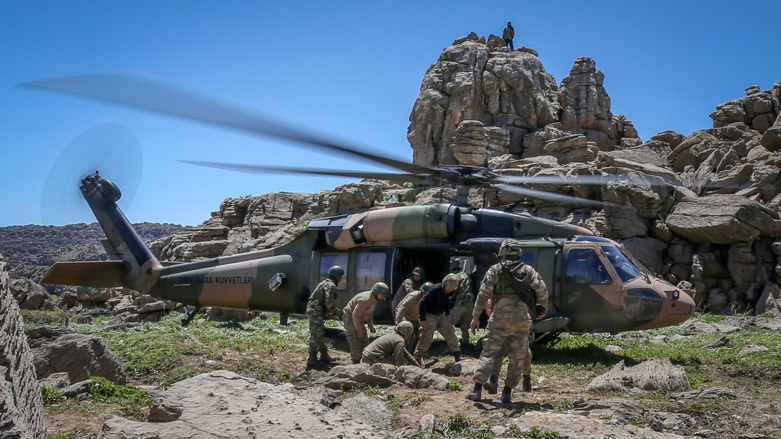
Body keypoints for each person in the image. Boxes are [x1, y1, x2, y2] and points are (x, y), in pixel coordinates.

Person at [466, 239, 548, 404]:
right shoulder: (528, 270)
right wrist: (543, 309)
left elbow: (483, 293)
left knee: (489, 353)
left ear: (502, 253)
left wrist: (476, 316)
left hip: (499, 318)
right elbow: (542, 291)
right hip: (521, 319)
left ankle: (477, 390)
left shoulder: (495, 270)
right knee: (517, 358)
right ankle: (507, 393)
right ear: (518, 253)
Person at [481, 299, 534, 394]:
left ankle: (526, 377)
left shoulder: (516, 304)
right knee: (496, 354)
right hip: (502, 333)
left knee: (525, 356)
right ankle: (493, 382)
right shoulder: (495, 303)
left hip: (517, 332)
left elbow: (528, 319)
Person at [414, 274, 462, 364]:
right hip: (429, 316)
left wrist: (447, 313)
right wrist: (423, 319)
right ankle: (417, 357)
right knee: (426, 338)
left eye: (451, 289)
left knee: (450, 331)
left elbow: (446, 301)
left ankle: (457, 354)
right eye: (448, 287)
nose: (449, 290)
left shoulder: (450, 291)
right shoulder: (435, 289)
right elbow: (422, 302)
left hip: (441, 315)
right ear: (444, 283)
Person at [306, 265, 343, 367]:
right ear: (338, 277)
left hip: (317, 311)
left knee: (320, 332)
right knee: (317, 334)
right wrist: (333, 312)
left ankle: (324, 355)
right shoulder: (330, 285)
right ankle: (312, 359)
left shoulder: (326, 283)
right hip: (315, 312)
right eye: (341, 276)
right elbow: (329, 301)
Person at [343, 282, 388, 364]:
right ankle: (356, 362)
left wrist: (370, 325)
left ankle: (365, 361)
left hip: (359, 319)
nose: (382, 297)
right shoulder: (365, 299)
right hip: (351, 319)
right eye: (381, 295)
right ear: (376, 292)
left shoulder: (374, 299)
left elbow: (369, 313)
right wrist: (359, 331)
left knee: (365, 342)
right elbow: (355, 315)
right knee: (355, 342)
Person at [395, 282, 433, 353]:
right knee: (408, 334)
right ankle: (403, 352)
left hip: (415, 318)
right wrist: (398, 322)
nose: (424, 295)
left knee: (419, 336)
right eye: (423, 293)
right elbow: (401, 308)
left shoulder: (431, 300)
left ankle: (412, 352)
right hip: (405, 316)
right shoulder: (413, 296)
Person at [447, 259, 474, 349]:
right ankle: (465, 344)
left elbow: (454, 289)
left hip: (461, 303)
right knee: (464, 325)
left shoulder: (455, 277)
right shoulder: (466, 275)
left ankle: (450, 345)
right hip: (470, 303)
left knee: (449, 323)